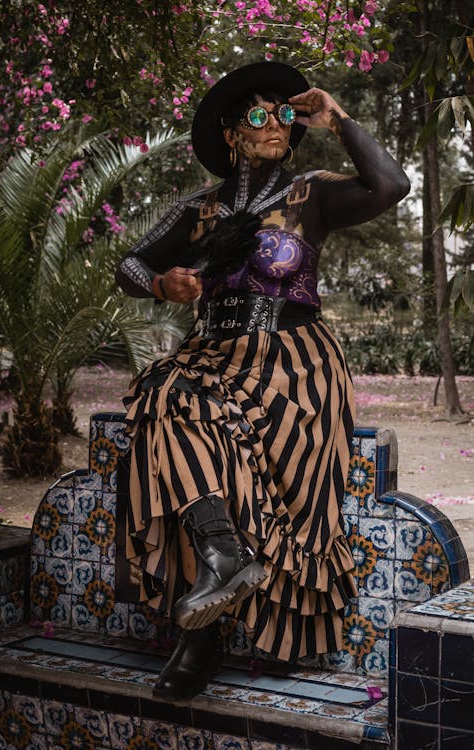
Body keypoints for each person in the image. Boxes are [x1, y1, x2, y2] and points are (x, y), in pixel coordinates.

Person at [116, 61, 410, 701]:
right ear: (230, 134)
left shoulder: (312, 192)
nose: (274, 122)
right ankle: (218, 574)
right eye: (257, 114)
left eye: (283, 113)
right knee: (166, 391)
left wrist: (336, 119)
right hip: (212, 357)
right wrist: (165, 284)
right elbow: (131, 263)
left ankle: (207, 631)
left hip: (292, 365)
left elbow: (390, 184)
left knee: (190, 419)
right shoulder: (197, 208)